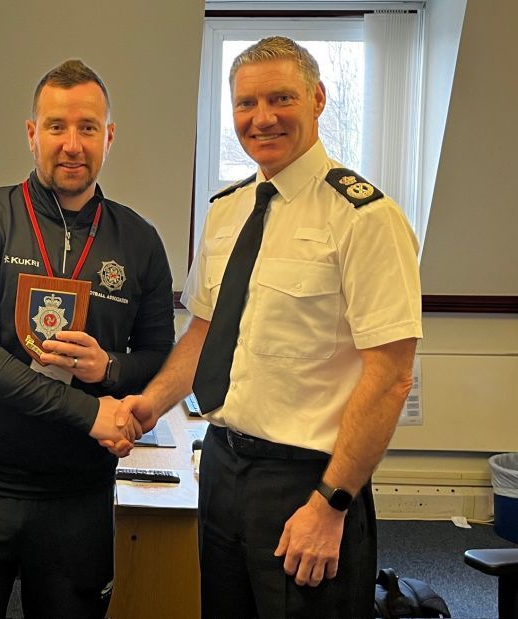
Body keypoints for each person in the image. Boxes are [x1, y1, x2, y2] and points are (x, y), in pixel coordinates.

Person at [112, 37, 422, 618]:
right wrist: (150, 404)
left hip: (309, 479)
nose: (262, 118)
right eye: (245, 104)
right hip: (223, 466)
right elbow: (204, 332)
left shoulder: (365, 219)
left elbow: (390, 378)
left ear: (318, 99)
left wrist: (331, 504)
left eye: (281, 98)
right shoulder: (226, 211)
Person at [0, 59, 174, 619]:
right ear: (32, 133)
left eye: (88, 127)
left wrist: (106, 370)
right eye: (56, 126)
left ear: (108, 136)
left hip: (77, 492)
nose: (72, 144)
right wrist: (89, 414)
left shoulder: (139, 240)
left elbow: (159, 358)